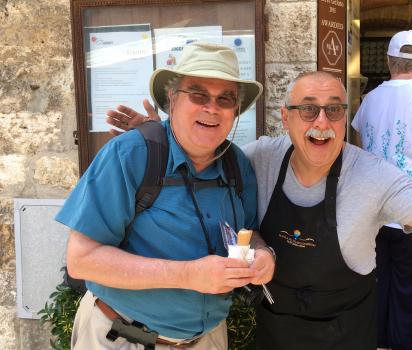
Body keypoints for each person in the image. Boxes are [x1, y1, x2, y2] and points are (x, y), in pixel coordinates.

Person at [110, 70, 412, 350]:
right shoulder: (258, 158)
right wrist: (164, 132)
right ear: (286, 117)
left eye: (334, 109)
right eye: (308, 108)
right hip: (276, 331)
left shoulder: (374, 175)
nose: (321, 121)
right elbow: (204, 157)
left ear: (347, 116)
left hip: (349, 332)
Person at [56, 43, 276, 350]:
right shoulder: (130, 154)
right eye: (198, 94)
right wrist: (188, 275)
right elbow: (81, 260)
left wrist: (263, 254)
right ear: (172, 99)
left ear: (235, 110)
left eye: (225, 98)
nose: (211, 108)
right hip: (122, 338)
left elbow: (248, 234)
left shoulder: (237, 164)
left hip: (208, 340)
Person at [352, 31, 412, 350]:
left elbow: (359, 155)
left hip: (374, 215)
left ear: (387, 61)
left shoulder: (369, 99)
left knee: (378, 296)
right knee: (409, 301)